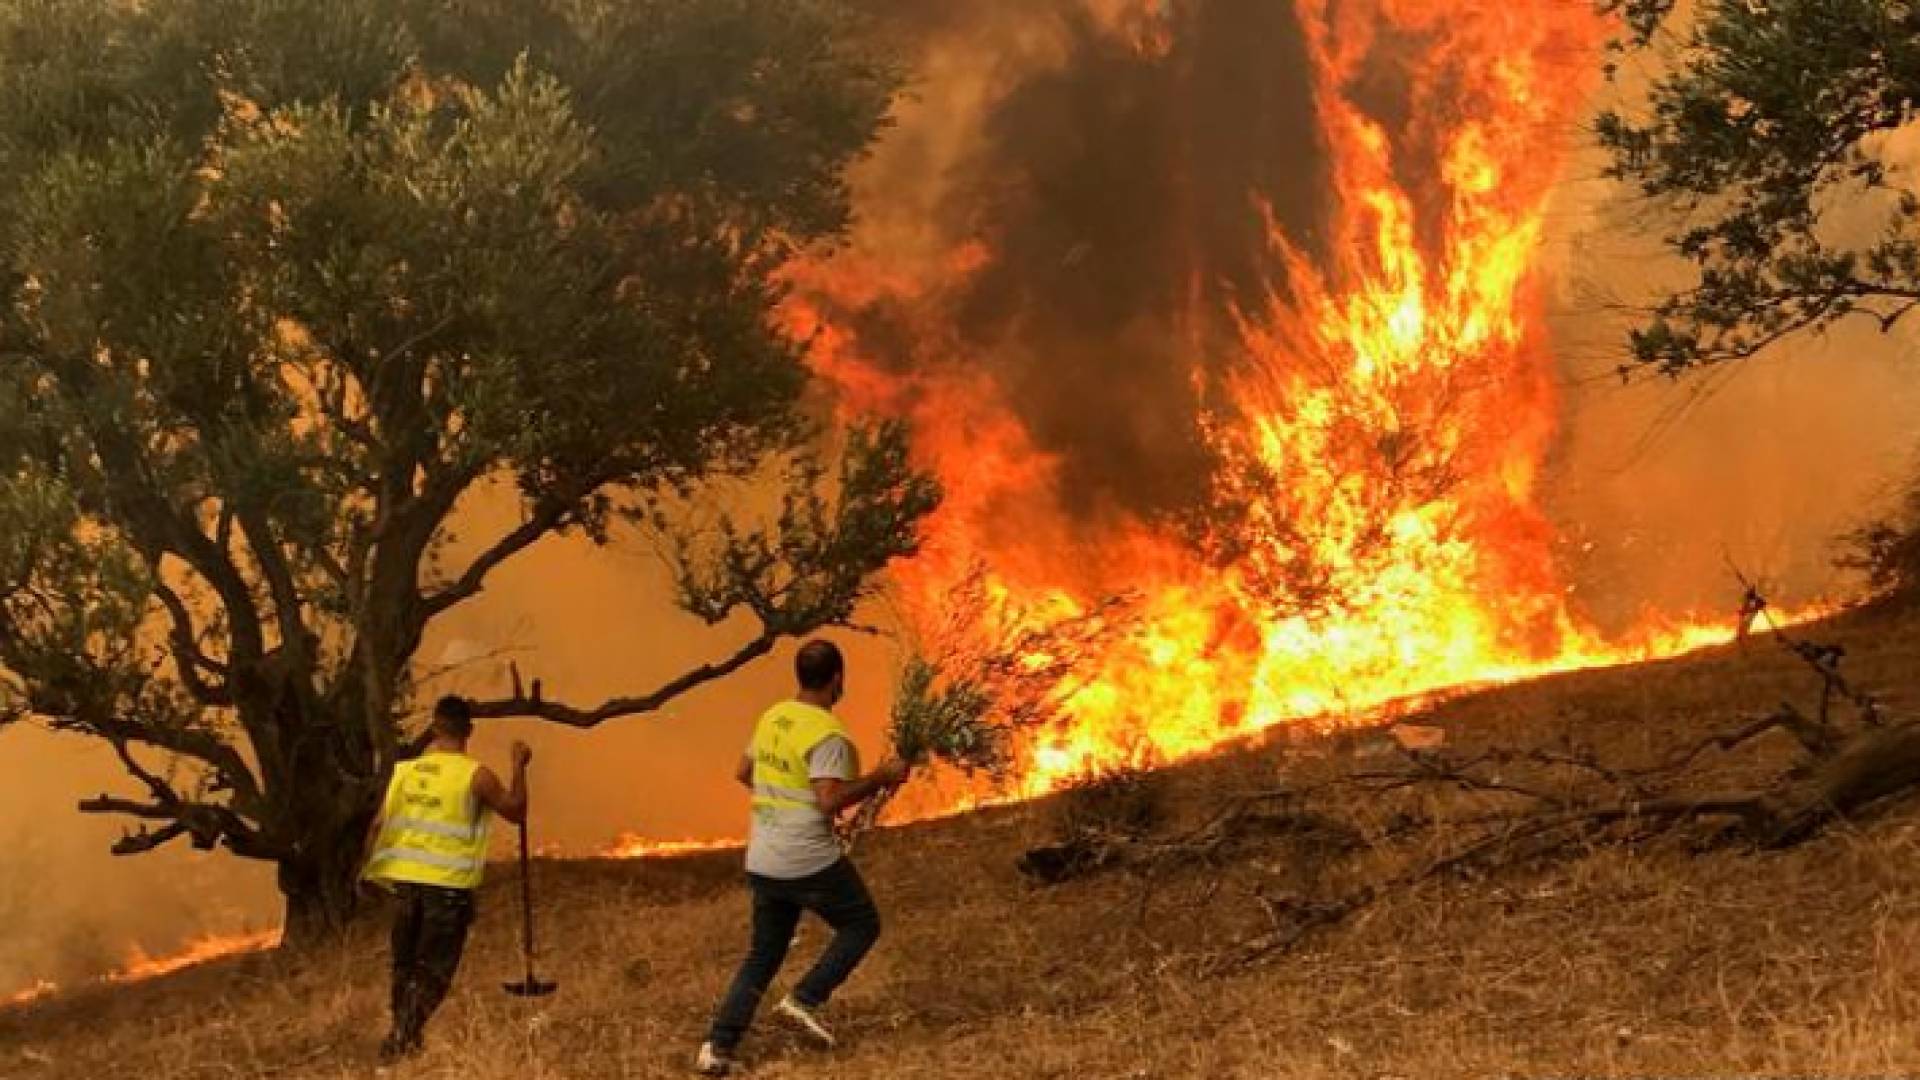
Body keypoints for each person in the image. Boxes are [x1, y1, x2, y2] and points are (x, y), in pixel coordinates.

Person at [697, 640, 909, 1076]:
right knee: (862, 924)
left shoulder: (774, 716)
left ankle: (716, 1048)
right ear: (837, 679)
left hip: (764, 855)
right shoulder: (828, 734)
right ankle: (804, 1000)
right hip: (805, 857)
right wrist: (882, 776)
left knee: (763, 955)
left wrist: (779, 802)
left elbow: (743, 772)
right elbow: (830, 800)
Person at [362, 695, 531, 1063]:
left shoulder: (405, 773)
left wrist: (368, 876)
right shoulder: (475, 776)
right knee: (435, 968)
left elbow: (377, 826)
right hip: (448, 888)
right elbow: (515, 811)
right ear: (468, 731)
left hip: (405, 887)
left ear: (435, 728)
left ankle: (404, 1035)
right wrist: (518, 766)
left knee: (404, 965)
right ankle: (402, 1037)